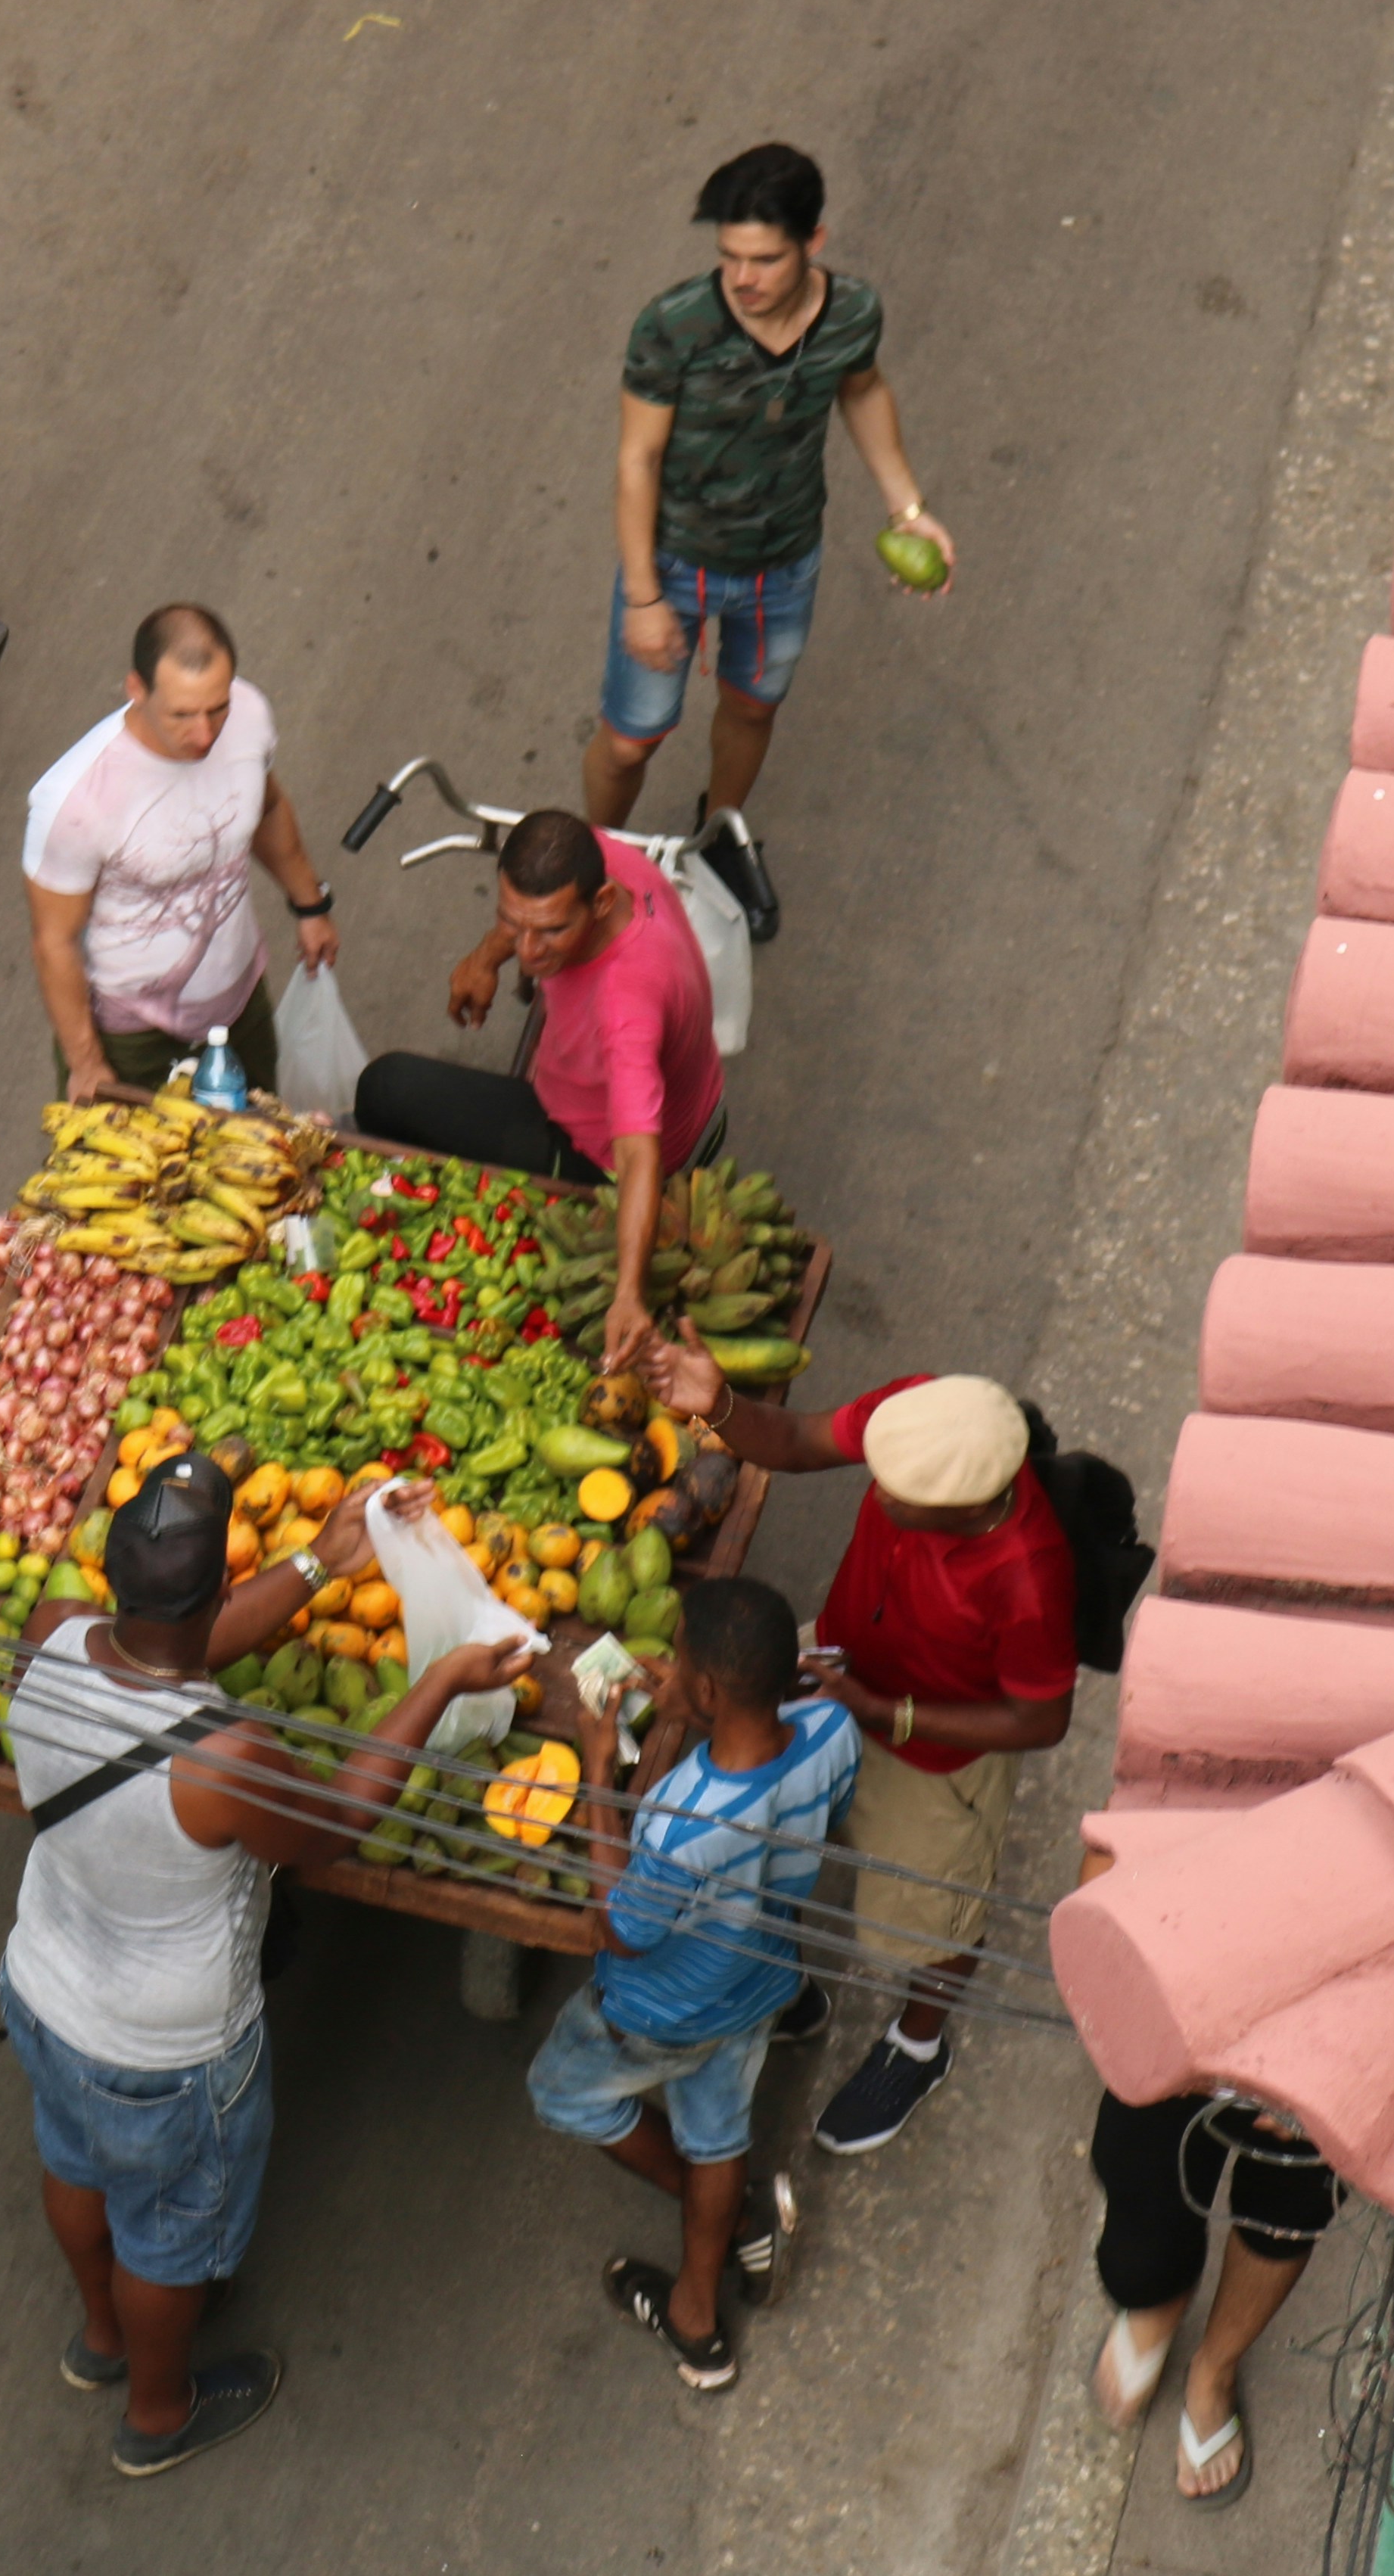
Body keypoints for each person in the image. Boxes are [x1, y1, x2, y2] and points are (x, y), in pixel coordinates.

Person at [0, 1461, 532, 2476]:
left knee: (74, 2160)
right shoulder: (222, 1759)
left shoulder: (56, 1627)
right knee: (167, 2237)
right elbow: (333, 1829)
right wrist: (439, 1683)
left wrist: (322, 1559)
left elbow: (188, 1640)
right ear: (211, 1590)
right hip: (165, 2049)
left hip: (42, 1983)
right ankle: (159, 2416)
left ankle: (102, 2341)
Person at [647, 1344, 1074, 2154]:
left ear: (966, 1506)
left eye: (897, 1495)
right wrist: (723, 1405)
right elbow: (806, 1440)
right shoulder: (915, 1413)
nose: (875, 1491)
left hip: (931, 1744)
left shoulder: (1027, 1578)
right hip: (834, 1668)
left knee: (930, 1919)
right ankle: (785, 1988)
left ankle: (919, 2045)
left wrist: (889, 1713)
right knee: (755, 1830)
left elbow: (1039, 1719)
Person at [591, 142, 955, 943]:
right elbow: (636, 459)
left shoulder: (853, 312)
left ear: (813, 243)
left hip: (784, 562)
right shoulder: (674, 325)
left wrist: (907, 508)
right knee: (628, 741)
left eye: (763, 259)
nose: (743, 278)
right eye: (728, 257)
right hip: (677, 562)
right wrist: (645, 596)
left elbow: (861, 390)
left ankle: (719, 836)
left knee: (752, 708)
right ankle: (596, 862)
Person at [531, 1573, 857, 2391]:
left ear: (709, 1686)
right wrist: (689, 1703)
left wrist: (600, 1778)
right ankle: (696, 2318)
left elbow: (626, 1931)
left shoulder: (681, 1817)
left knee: (562, 2094)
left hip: (660, 2009)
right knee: (716, 2132)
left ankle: (735, 2218)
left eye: (679, 1664)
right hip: (753, 1980)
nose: (666, 1670)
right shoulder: (831, 1726)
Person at [351, 807, 720, 1371]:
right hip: (654, 1087)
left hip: (596, 1154)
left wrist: (628, 1294)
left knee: (386, 1089)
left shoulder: (627, 1006)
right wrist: (484, 958)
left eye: (551, 931)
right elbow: (525, 923)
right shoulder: (602, 857)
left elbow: (635, 1154)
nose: (527, 952)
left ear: (599, 904)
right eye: (512, 923)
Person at [22, 604, 340, 1106]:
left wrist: (309, 904)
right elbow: (53, 941)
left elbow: (267, 807)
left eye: (218, 708)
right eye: (182, 714)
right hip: (133, 1035)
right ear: (137, 690)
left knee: (264, 1152)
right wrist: (87, 1063)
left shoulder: (251, 714)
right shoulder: (78, 801)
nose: (206, 734)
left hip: (239, 1003)